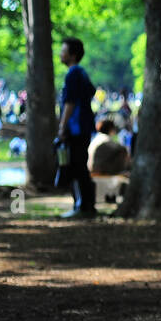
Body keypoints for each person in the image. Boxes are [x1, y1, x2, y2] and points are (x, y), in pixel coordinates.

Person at [56, 38, 96, 219]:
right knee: (81, 166)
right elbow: (91, 91)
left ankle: (82, 206)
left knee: (77, 166)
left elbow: (70, 103)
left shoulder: (73, 75)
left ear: (72, 55)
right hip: (84, 128)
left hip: (76, 128)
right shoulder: (82, 73)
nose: (60, 54)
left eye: (63, 51)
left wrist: (62, 126)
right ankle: (85, 205)